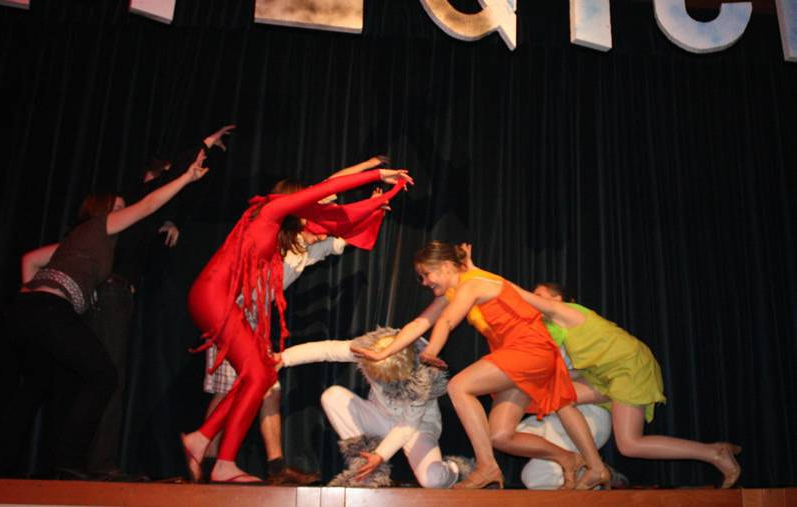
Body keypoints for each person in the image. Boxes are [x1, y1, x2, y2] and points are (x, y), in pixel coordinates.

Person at [180, 166, 414, 483]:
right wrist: (377, 173)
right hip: (218, 299)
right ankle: (216, 458)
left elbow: (339, 225)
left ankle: (206, 445)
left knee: (260, 376)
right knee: (252, 378)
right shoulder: (271, 212)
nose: (313, 219)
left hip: (230, 306)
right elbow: (327, 189)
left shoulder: (291, 237)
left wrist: (372, 208)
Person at [0, 150, 209, 478]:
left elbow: (30, 259)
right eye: (118, 208)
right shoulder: (100, 226)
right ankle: (68, 462)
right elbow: (147, 205)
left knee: (36, 385)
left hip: (27, 312)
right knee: (104, 375)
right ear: (103, 211)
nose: (123, 213)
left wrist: (31, 294)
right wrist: (186, 178)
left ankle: (2, 463)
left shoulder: (75, 240)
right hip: (49, 309)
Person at [352, 241, 610, 490]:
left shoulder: (474, 283)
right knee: (500, 436)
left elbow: (447, 322)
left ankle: (487, 467)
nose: (424, 282)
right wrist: (382, 353)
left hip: (529, 350)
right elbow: (420, 323)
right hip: (517, 356)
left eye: (426, 274)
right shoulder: (456, 292)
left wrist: (431, 351)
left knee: (459, 387)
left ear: (445, 266)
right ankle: (570, 459)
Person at [82, 126, 234, 478]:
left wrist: (172, 221)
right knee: (107, 377)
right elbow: (164, 187)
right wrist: (204, 145)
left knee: (106, 376)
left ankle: (94, 460)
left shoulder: (142, 217)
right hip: (110, 294)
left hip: (118, 295)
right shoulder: (132, 200)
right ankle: (97, 462)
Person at [512, 281, 742, 489]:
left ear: (557, 299)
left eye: (539, 295)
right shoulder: (556, 328)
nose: (535, 299)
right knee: (561, 397)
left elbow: (518, 295)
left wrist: (491, 281)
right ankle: (595, 467)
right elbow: (571, 371)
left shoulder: (565, 311)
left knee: (630, 445)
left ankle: (714, 453)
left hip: (628, 367)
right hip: (605, 375)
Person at [275, 327, 471, 488]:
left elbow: (407, 425)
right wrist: (284, 358)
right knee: (332, 396)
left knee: (433, 480)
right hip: (379, 417)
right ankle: (365, 467)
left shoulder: (423, 378)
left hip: (417, 428)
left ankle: (458, 470)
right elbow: (328, 349)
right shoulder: (370, 349)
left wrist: (381, 455)